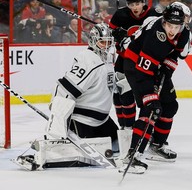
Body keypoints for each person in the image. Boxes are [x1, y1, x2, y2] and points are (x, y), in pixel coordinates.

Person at [14, 23, 119, 170]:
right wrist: (57, 125)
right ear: (93, 41)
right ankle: (47, 150)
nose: (106, 46)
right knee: (74, 153)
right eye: (103, 42)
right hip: (83, 122)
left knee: (120, 144)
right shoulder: (88, 60)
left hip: (102, 120)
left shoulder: (108, 59)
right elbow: (64, 89)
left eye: (109, 42)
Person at [118, 4, 190, 174]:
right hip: (135, 66)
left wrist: (167, 66)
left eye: (176, 26)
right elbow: (143, 73)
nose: (173, 30)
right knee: (150, 108)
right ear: (164, 22)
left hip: (155, 65)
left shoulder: (184, 32)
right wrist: (150, 97)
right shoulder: (155, 37)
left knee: (170, 106)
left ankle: (156, 146)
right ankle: (132, 155)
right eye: (169, 26)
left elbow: (174, 53)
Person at [109, 0, 161, 130]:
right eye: (131, 4)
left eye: (137, 4)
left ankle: (146, 127)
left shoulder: (154, 14)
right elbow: (109, 33)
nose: (134, 7)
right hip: (124, 60)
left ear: (143, 2)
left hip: (145, 62)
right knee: (120, 94)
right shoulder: (120, 15)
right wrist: (115, 34)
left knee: (148, 96)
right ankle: (125, 127)